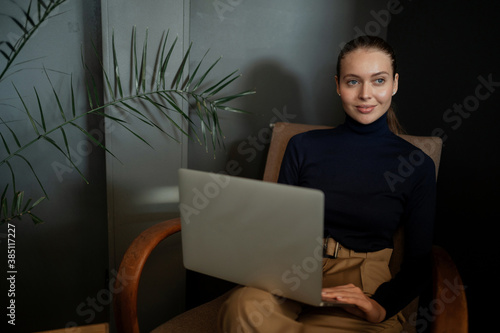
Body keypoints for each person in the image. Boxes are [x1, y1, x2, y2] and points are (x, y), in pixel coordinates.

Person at [218, 35, 436, 333]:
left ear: (394, 84)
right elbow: (280, 227)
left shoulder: (416, 164)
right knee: (241, 307)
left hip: (361, 281)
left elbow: (418, 262)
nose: (365, 94)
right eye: (352, 82)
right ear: (337, 85)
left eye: (378, 80)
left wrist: (380, 306)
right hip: (293, 271)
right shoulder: (303, 146)